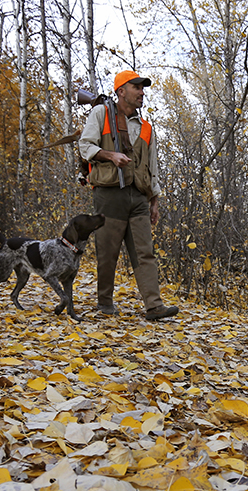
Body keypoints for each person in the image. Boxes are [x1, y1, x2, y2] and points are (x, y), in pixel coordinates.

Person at [78, 70, 178, 320]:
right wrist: (111, 155)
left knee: (145, 252)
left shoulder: (146, 128)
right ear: (121, 91)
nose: (142, 92)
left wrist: (154, 201)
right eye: (137, 88)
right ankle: (105, 303)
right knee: (107, 252)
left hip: (139, 198)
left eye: (142, 88)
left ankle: (154, 307)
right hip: (110, 194)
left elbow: (152, 167)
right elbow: (84, 145)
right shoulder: (101, 113)